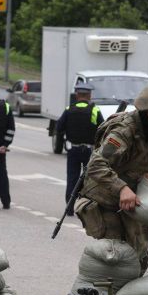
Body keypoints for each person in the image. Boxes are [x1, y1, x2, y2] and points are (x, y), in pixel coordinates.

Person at [77, 81, 148, 275]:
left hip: (136, 201)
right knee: (114, 256)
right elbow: (96, 165)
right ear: (145, 111)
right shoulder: (124, 130)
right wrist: (122, 188)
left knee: (139, 255)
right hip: (106, 200)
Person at [55, 82, 104, 216]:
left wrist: (66, 137)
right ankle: (86, 208)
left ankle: (69, 208)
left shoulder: (69, 109)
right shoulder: (94, 110)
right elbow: (102, 129)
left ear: (77, 95)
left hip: (73, 150)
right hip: (89, 151)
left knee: (72, 178)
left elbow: (58, 128)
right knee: (88, 179)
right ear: (89, 95)